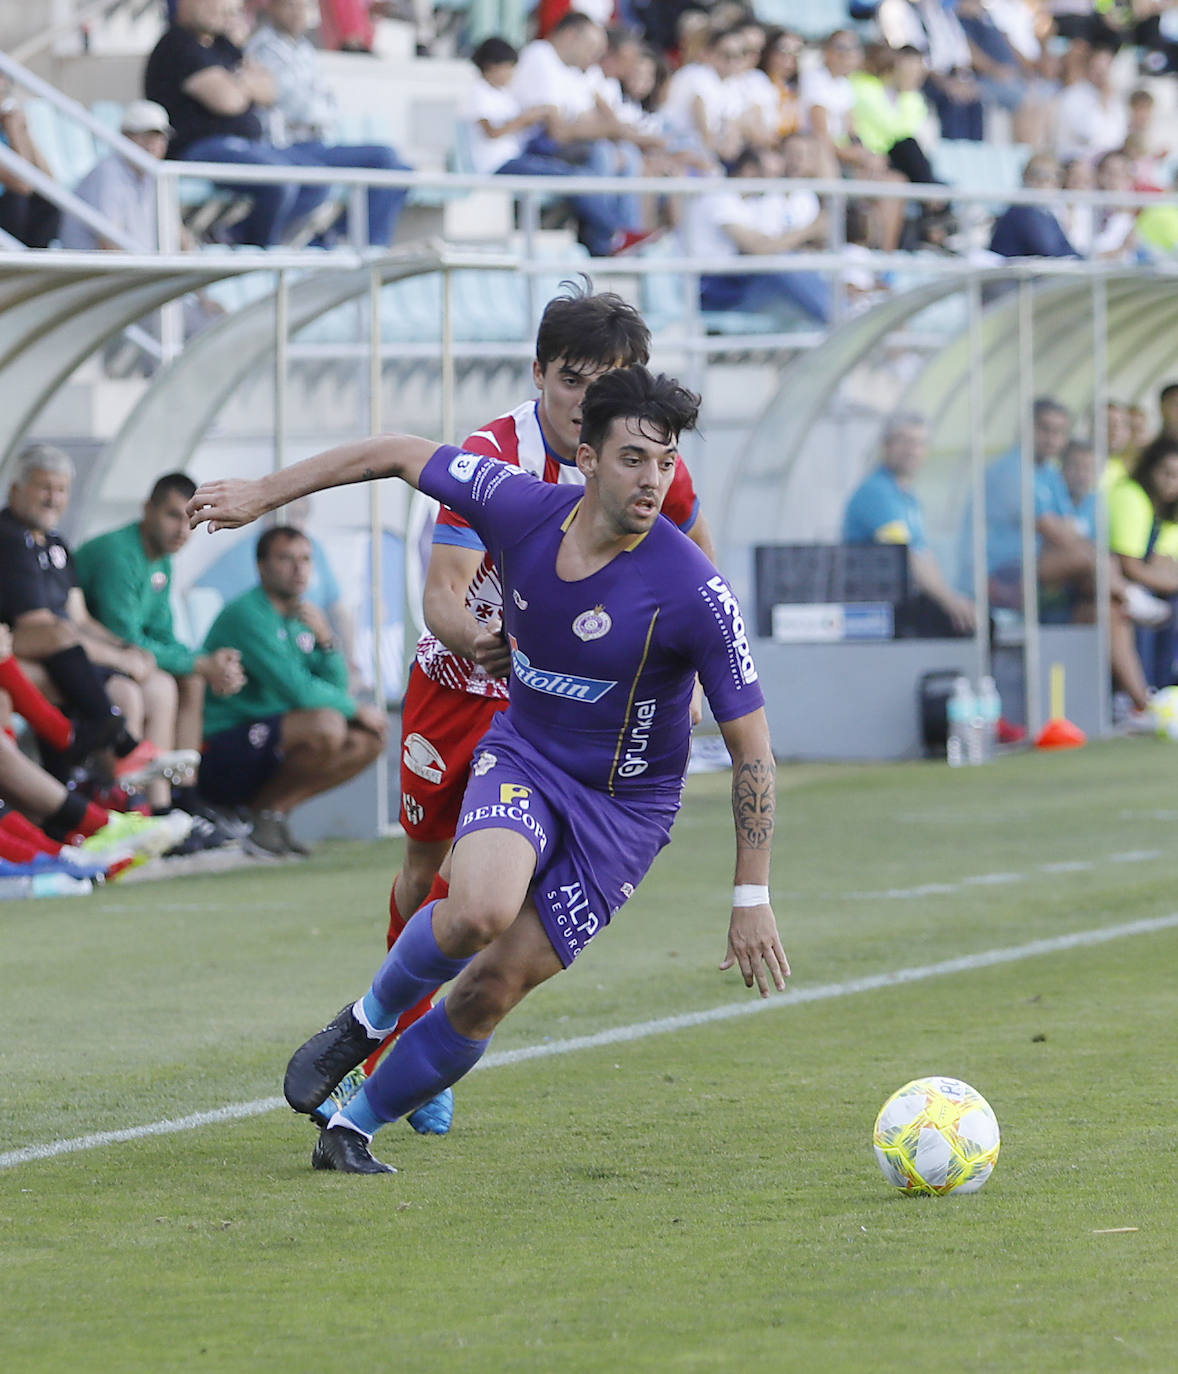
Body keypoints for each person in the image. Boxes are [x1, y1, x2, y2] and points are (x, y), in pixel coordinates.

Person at [187, 363, 788, 1173]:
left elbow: (753, 752)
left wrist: (751, 894)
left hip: (626, 816)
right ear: (586, 457)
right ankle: (364, 1023)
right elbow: (399, 452)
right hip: (528, 755)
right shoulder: (521, 506)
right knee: (475, 910)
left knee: (490, 988)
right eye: (634, 459)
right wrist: (263, 492)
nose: (653, 481)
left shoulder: (695, 592)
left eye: (667, 462)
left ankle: (354, 1129)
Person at [344, 283, 713, 1136]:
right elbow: (440, 595)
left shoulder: (648, 459)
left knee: (496, 906)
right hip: (461, 690)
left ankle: (411, 1059)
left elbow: (696, 561)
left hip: (561, 715)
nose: (592, 403)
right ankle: (388, 1025)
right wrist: (483, 637)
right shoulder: (491, 456)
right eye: (576, 381)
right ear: (540, 373)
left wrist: (689, 675)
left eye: (612, 382)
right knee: (424, 867)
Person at [0, 444, 197, 810]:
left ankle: (161, 809)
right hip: (20, 653)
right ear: (16, 489)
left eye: (61, 490)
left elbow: (80, 618)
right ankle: (117, 795)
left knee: (159, 686)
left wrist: (125, 649)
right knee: (123, 692)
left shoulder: (57, 543)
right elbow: (40, 626)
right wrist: (117, 658)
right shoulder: (10, 537)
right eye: (44, 487)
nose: (53, 498)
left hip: (63, 655)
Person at [73, 473, 247, 842]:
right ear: (147, 510)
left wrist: (206, 663)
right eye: (172, 515)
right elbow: (125, 638)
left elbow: (162, 636)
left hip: (121, 661)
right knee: (161, 686)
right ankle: (143, 805)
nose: (183, 530)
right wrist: (201, 663)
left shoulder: (161, 562)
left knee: (190, 679)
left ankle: (182, 801)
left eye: (191, 520)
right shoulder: (119, 555)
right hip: (83, 662)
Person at [197, 524, 387, 857]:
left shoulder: (304, 616)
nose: (299, 568)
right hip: (223, 740)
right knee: (327, 725)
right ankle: (249, 815)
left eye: (305, 559)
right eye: (286, 559)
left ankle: (269, 815)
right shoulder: (247, 615)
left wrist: (327, 640)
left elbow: (333, 687)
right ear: (261, 566)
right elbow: (298, 691)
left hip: (275, 733)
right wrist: (357, 709)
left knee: (369, 741)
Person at [244, 0, 412, 246]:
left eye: (303, 7)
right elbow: (295, 104)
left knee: (402, 172)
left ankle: (339, 238)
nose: (298, 13)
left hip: (316, 143)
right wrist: (316, 108)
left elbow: (325, 104)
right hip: (288, 147)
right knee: (384, 158)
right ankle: (359, 247)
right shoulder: (262, 47)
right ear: (273, 8)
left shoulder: (303, 48)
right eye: (290, 6)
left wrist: (315, 108)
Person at [843, 412, 976, 635]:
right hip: (880, 605)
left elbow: (923, 553)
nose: (912, 450)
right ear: (887, 446)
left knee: (975, 619)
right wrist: (949, 602)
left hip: (905, 599)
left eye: (919, 443)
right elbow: (906, 555)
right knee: (968, 625)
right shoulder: (877, 493)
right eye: (904, 441)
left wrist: (951, 597)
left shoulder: (907, 497)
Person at [692, 140, 832, 326]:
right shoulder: (719, 197)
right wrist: (811, 229)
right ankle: (839, 319)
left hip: (733, 283)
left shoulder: (742, 203)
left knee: (794, 262)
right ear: (750, 171)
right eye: (771, 175)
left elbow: (768, 244)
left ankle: (838, 316)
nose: (775, 183)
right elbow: (760, 247)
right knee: (785, 264)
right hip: (713, 290)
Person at [0, 73, 61, 249]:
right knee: (18, 199)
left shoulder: (8, 127)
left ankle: (39, 259)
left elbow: (48, 180)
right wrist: (14, 131)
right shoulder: (9, 129)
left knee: (49, 200)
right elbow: (22, 184)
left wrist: (24, 131)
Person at [990, 154, 1080, 259]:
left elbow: (1066, 247)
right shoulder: (1022, 209)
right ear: (1027, 178)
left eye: (1056, 177)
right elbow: (1047, 249)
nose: (1048, 183)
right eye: (1042, 177)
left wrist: (1083, 260)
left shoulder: (1045, 212)